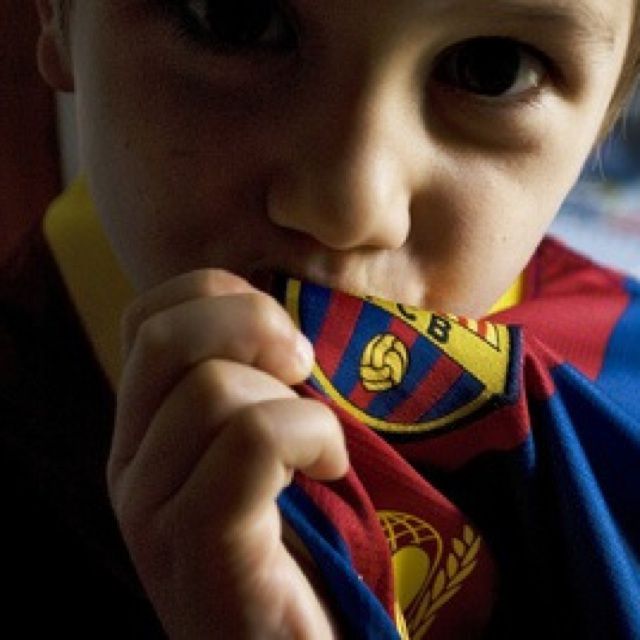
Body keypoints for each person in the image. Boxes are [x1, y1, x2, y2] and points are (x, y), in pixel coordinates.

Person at [2, 0, 637, 636]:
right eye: (237, 22)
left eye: (492, 69)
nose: (349, 207)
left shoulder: (622, 393)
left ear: (609, 105)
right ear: (57, 11)